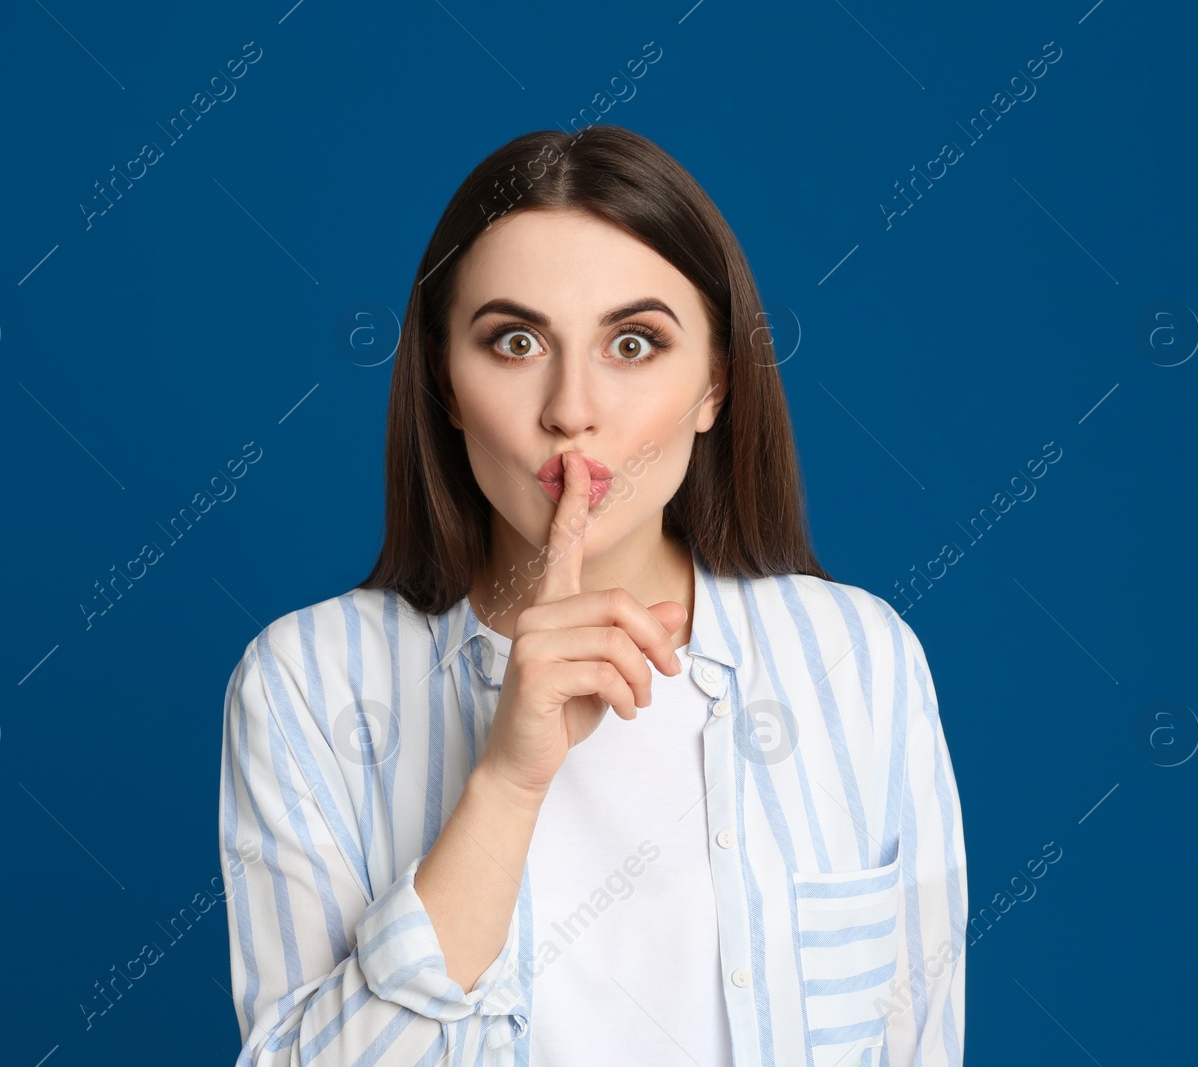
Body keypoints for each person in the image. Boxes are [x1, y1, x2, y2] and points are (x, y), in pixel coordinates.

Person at [218, 124, 966, 1066]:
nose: (572, 407)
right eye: (516, 340)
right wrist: (506, 781)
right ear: (446, 383)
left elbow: (923, 1037)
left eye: (634, 342)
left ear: (716, 385)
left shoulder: (859, 661)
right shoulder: (309, 684)